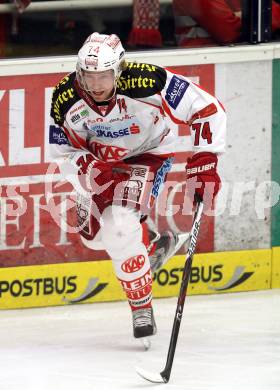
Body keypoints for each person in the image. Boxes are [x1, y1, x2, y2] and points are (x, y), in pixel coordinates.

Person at [48, 32, 226, 340]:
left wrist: (205, 159)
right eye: (89, 76)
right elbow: (61, 150)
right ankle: (152, 242)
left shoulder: (147, 81)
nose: (96, 84)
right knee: (93, 237)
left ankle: (141, 306)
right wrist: (90, 170)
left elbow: (206, 108)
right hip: (99, 164)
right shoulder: (65, 96)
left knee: (119, 227)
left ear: (118, 70)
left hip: (147, 155)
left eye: (104, 75)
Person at [173, 0, 280, 47]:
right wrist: (248, 16)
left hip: (228, 58)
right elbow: (229, 33)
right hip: (201, 60)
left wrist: (241, 16)